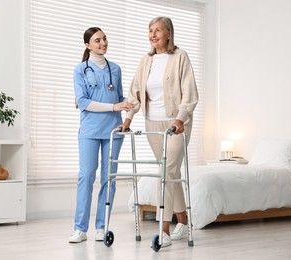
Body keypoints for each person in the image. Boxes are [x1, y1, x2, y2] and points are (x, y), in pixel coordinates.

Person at [120, 17, 198, 247]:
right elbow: (135, 92)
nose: (153, 35)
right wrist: (128, 118)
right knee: (169, 173)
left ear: (169, 34)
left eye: (158, 31)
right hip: (153, 124)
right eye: (150, 31)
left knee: (166, 171)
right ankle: (183, 223)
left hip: (176, 124)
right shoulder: (146, 60)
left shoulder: (180, 57)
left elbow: (190, 93)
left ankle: (163, 230)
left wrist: (180, 118)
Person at [69, 27, 134, 243]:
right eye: (97, 40)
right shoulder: (80, 69)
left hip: (113, 132)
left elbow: (119, 96)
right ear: (88, 45)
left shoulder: (115, 68)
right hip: (89, 130)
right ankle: (80, 229)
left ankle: (101, 226)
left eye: (104, 39)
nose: (103, 43)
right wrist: (115, 107)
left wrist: (131, 103)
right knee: (86, 176)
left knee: (109, 179)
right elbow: (84, 102)